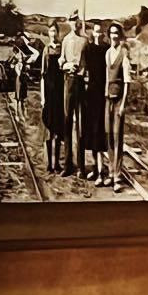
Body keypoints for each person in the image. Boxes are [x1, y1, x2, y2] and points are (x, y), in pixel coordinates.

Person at [78, 21, 108, 183]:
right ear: (93, 33)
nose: (98, 34)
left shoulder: (106, 49)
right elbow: (83, 69)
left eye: (101, 32)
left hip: (102, 95)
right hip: (90, 95)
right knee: (91, 132)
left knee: (100, 133)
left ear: (103, 34)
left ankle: (101, 172)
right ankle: (96, 169)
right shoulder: (88, 49)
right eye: (96, 32)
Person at [104, 21, 131, 193]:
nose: (113, 36)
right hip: (108, 99)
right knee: (108, 137)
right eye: (111, 33)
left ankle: (118, 176)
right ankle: (110, 172)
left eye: (116, 33)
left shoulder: (124, 54)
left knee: (117, 138)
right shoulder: (107, 53)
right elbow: (107, 77)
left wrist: (123, 105)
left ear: (120, 35)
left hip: (119, 100)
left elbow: (127, 82)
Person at [59, 10, 86, 176]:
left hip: (81, 84)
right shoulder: (66, 40)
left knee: (81, 125)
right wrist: (66, 65)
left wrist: (83, 72)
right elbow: (61, 61)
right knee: (67, 122)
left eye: (77, 20)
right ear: (69, 22)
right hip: (68, 82)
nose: (75, 23)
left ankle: (81, 166)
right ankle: (67, 165)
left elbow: (88, 64)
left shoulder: (85, 41)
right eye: (72, 20)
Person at [40, 21, 66, 173]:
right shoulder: (46, 50)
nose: (53, 34)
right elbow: (42, 76)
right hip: (49, 94)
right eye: (50, 31)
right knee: (49, 129)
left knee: (58, 130)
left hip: (60, 94)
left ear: (58, 32)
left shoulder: (62, 49)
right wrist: (43, 97)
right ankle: (49, 164)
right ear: (48, 33)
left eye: (55, 31)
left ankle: (57, 164)